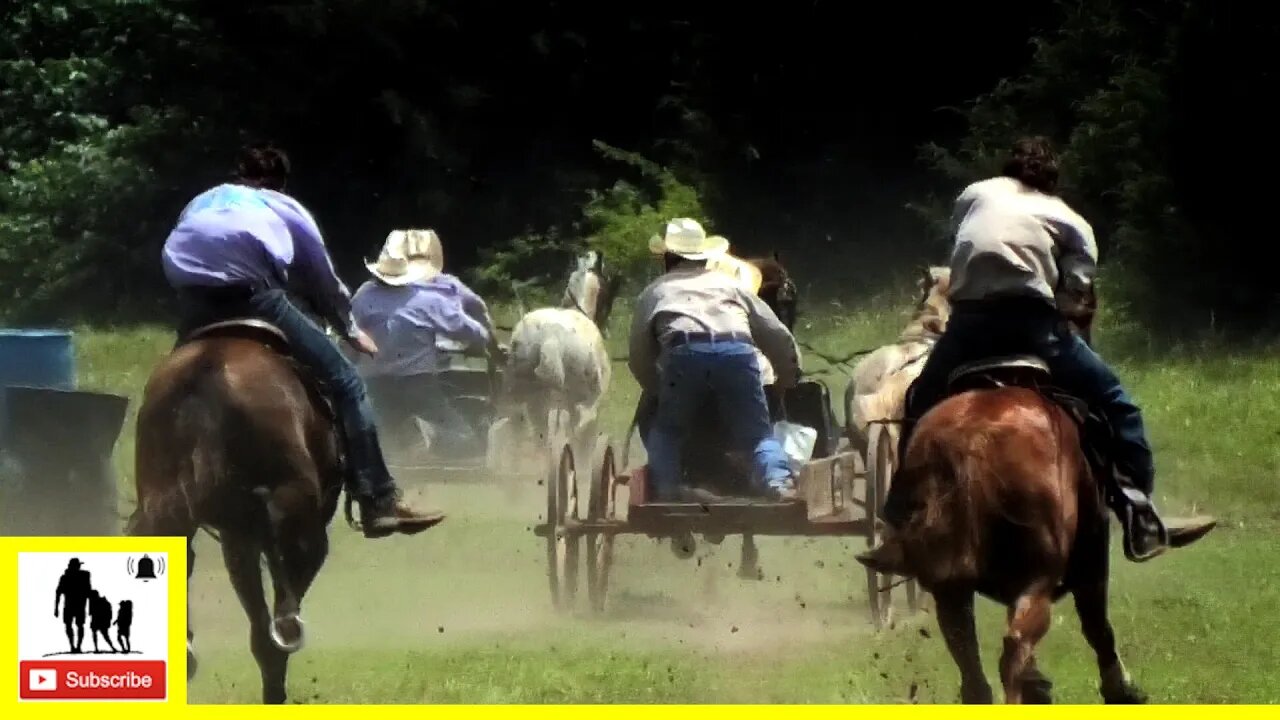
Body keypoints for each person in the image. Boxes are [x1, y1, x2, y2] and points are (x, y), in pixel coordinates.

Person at [857, 137, 1216, 572]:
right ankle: (1140, 513)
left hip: (968, 327)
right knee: (1117, 402)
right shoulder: (1070, 219)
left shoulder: (976, 193)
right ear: (1052, 181)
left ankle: (902, 514)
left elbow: (960, 244)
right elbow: (1077, 291)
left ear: (1007, 169)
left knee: (920, 401)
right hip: (1033, 328)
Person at [161, 143, 443, 538]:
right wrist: (349, 328)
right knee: (348, 383)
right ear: (281, 183)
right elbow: (322, 279)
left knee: (167, 395)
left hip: (194, 301)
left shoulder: (202, 201)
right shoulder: (284, 208)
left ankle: (152, 501)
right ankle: (377, 498)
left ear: (237, 175)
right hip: (255, 297)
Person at [629, 218, 802, 502]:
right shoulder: (730, 286)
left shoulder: (655, 291)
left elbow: (638, 354)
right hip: (737, 354)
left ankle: (668, 489)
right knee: (758, 434)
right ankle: (778, 482)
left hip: (683, 356)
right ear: (704, 256)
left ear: (668, 258)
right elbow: (776, 335)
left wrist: (657, 389)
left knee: (668, 430)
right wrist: (787, 378)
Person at [352, 229, 496, 458]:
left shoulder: (362, 295)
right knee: (464, 438)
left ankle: (398, 447)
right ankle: (429, 435)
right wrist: (484, 336)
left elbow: (349, 333)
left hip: (375, 384)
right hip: (417, 384)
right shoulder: (428, 300)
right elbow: (474, 332)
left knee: (375, 434)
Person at [54, 558, 91, 653]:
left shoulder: (84, 575)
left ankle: (76, 646)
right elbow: (58, 592)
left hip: (75, 605)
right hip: (74, 605)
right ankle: (74, 646)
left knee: (76, 625)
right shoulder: (81, 576)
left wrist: (56, 608)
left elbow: (88, 591)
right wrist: (56, 608)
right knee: (73, 625)